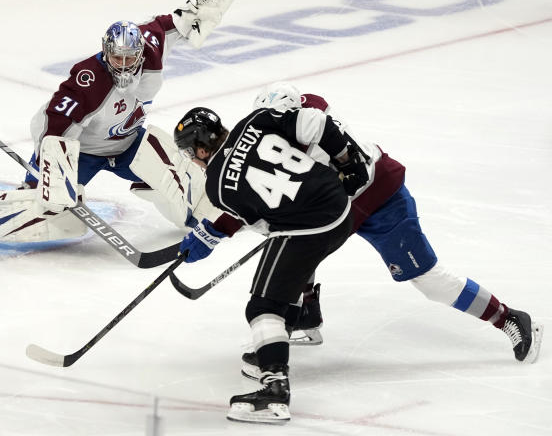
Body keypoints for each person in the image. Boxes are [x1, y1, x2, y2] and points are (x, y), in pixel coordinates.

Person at [232, 82, 543, 375]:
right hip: (340, 207)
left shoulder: (311, 130)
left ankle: (509, 318)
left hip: (381, 199)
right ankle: (304, 315)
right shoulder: (299, 121)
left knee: (429, 279)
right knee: (297, 248)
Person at [0, 0, 233, 246]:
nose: (123, 65)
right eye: (116, 57)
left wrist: (201, 7)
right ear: (105, 52)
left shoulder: (150, 48)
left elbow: (171, 24)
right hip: (82, 152)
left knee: (182, 187)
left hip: (129, 144)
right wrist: (53, 173)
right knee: (47, 213)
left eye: (130, 57)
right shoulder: (89, 80)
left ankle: (222, 212)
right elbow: (54, 127)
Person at [171, 98, 370, 424]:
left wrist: (212, 235)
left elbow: (266, 226)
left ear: (201, 150)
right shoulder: (256, 120)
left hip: (307, 225)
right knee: (284, 278)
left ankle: (274, 391)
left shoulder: (217, 186)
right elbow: (316, 121)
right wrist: (348, 162)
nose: (192, 159)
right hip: (341, 208)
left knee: (263, 307)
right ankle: (301, 316)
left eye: (190, 153)